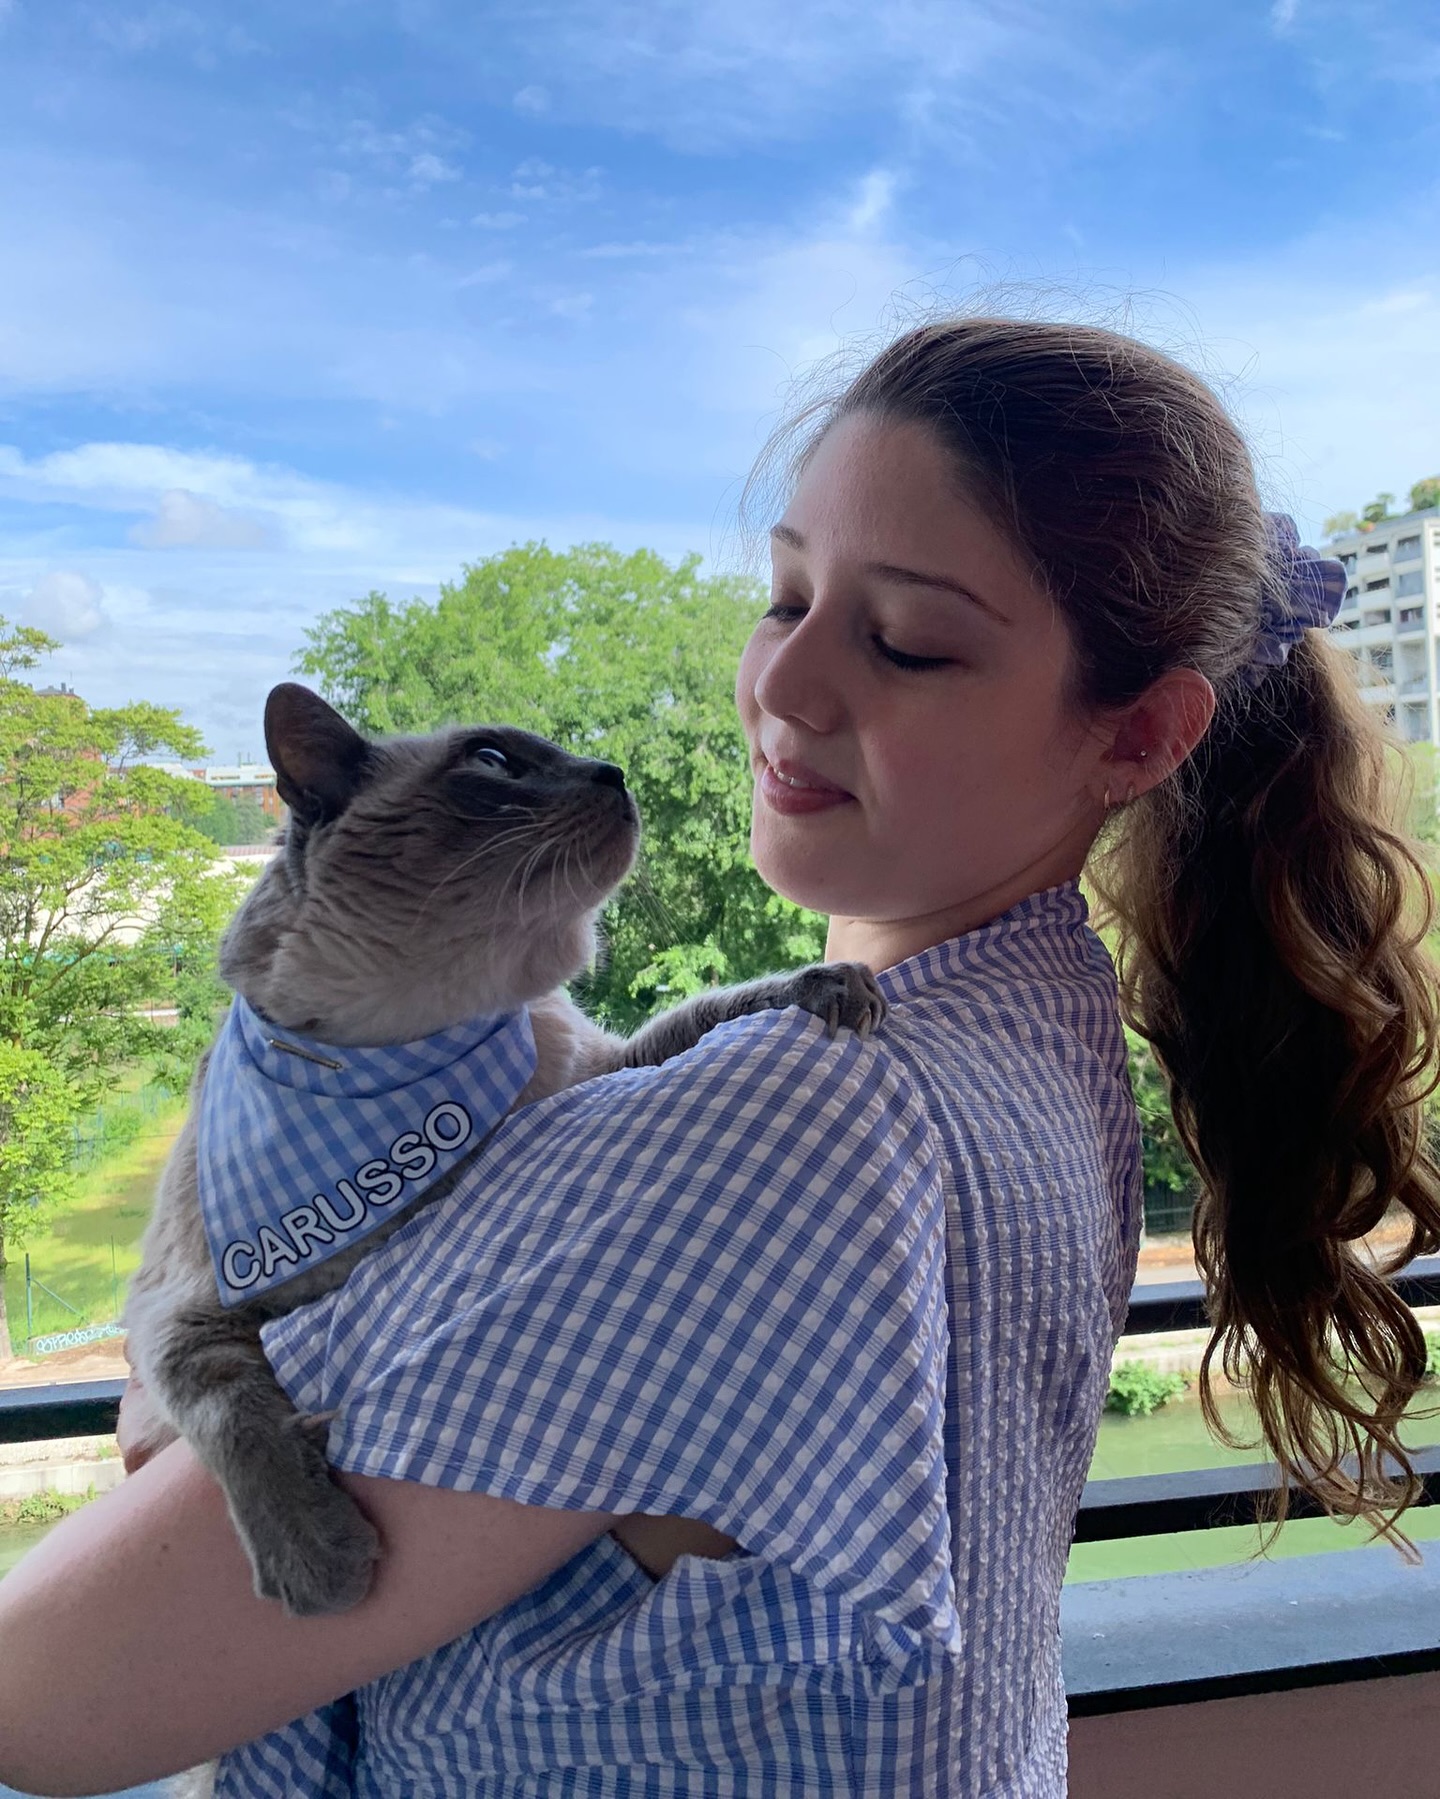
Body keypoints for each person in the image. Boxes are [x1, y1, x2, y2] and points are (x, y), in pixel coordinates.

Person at [1, 316, 1436, 1799]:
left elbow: (43, 1698)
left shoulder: (784, 1124)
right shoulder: (1040, 1023)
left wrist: (201, 1326)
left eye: (907, 639)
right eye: (788, 594)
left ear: (1137, 736)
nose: (785, 689)